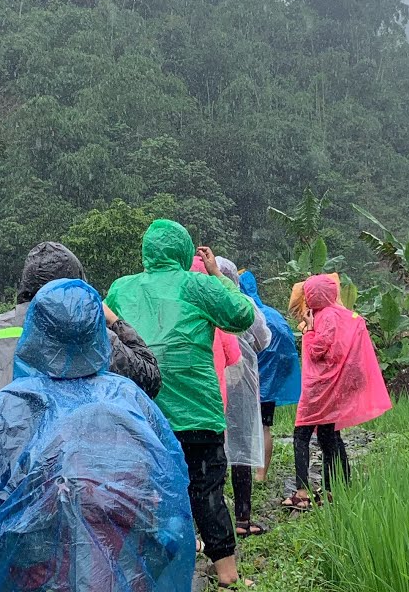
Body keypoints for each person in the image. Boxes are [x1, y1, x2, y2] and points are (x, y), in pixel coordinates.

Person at [0, 242, 160, 591]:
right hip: (90, 540)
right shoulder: (97, 345)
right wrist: (113, 317)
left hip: (6, 536)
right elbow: (148, 378)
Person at [104, 220, 255, 589]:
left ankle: (152, 575)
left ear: (146, 251)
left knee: (148, 497)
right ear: (184, 251)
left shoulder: (122, 288)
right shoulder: (197, 283)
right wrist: (218, 273)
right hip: (197, 413)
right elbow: (242, 315)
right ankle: (227, 574)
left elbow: (103, 327)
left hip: (141, 416)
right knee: (206, 493)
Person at [282, 273, 392, 511]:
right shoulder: (347, 317)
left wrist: (309, 332)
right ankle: (337, 487)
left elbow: (318, 350)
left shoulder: (323, 318)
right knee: (329, 436)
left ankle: (302, 491)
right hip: (337, 388)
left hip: (318, 389)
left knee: (301, 435)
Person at [212, 258, 271, 539]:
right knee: (241, 449)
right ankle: (243, 519)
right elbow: (264, 338)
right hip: (241, 384)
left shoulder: (197, 300)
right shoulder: (241, 305)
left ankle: (211, 517)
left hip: (208, 384)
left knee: (211, 451)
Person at [238, 270, 301, 483]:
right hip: (269, 385)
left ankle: (242, 474)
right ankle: (261, 475)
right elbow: (289, 350)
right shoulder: (274, 316)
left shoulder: (242, 312)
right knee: (265, 427)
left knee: (244, 429)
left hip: (245, 382)